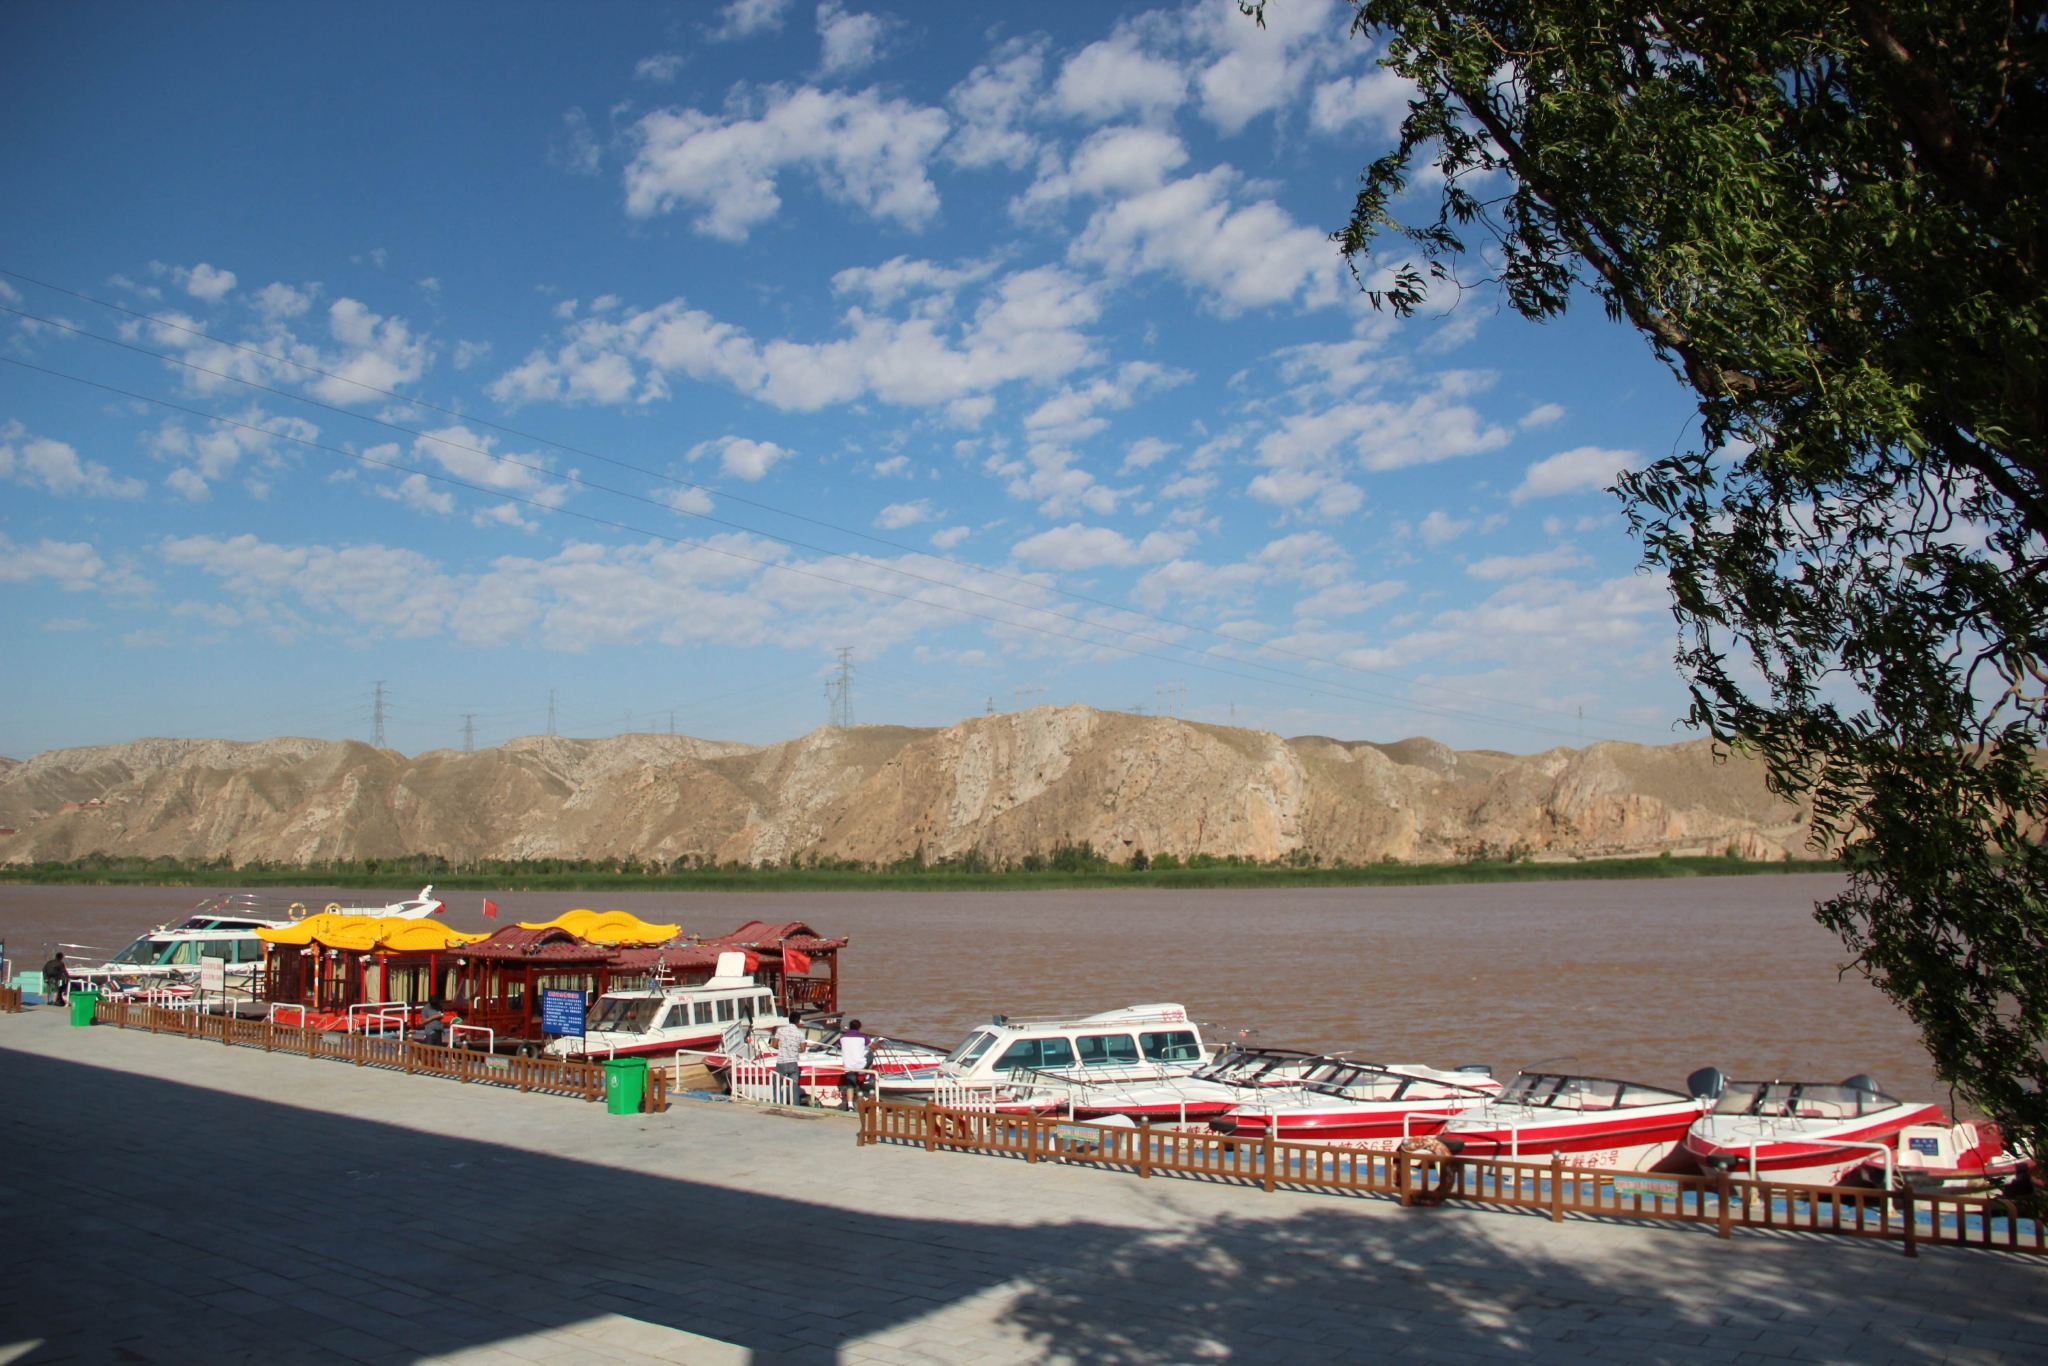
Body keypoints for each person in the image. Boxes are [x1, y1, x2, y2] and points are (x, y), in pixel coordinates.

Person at [774, 1009, 807, 1106]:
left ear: (789, 1020)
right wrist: (794, 1049)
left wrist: (783, 1047)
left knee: (777, 1084)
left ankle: (778, 1104)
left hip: (781, 1062)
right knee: (794, 1086)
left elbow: (774, 1045)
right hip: (793, 1063)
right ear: (798, 1021)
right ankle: (796, 1105)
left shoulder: (780, 1030)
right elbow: (803, 1049)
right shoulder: (800, 1033)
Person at [837, 1018, 872, 1111]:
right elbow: (872, 1046)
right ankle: (867, 1074)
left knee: (850, 1085)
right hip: (860, 1065)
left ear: (849, 1027)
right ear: (859, 1028)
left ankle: (850, 1106)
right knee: (870, 1055)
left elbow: (839, 1047)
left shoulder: (843, 1037)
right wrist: (880, 1045)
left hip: (848, 1065)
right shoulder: (863, 1036)